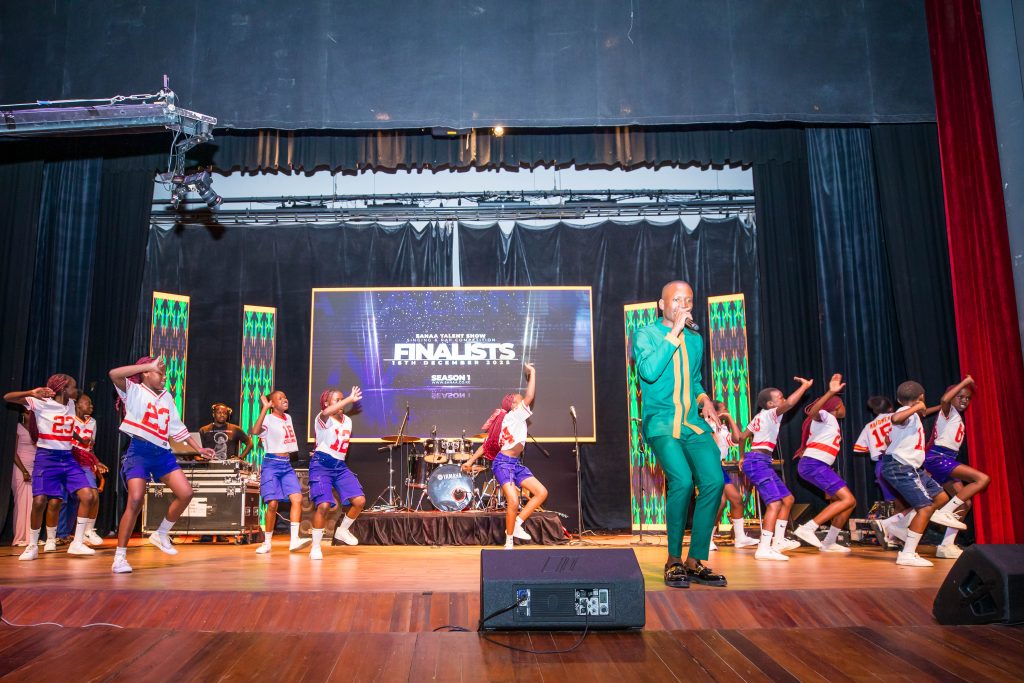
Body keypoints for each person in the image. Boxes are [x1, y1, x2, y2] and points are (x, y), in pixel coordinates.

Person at [632, 281, 727, 588]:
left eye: (688, 301)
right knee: (683, 480)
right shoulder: (646, 334)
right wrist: (674, 331)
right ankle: (673, 559)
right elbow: (648, 371)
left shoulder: (696, 340)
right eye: (677, 301)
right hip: (661, 422)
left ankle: (695, 560)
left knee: (714, 480)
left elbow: (696, 381)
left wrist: (705, 401)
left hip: (691, 423)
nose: (683, 306)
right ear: (662, 305)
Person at [109, 356, 214, 573]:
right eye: (160, 373)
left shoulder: (167, 397)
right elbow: (113, 374)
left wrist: (199, 449)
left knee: (186, 493)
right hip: (139, 451)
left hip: (162, 453)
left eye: (165, 374)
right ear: (146, 373)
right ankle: (120, 557)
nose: (165, 377)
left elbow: (177, 427)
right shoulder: (134, 390)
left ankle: (161, 533)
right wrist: (148, 364)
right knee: (136, 499)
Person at [5, 374, 97, 560]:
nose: (76, 390)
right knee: (39, 502)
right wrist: (32, 392)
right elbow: (8, 397)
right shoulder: (41, 403)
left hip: (67, 458)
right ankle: (32, 545)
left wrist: (80, 439)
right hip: (46, 457)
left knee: (87, 495)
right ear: (63, 389)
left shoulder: (70, 405)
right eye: (73, 387)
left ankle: (77, 543)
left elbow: (67, 428)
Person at [461, 363, 547, 550]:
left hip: (515, 464)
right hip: (502, 464)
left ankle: (517, 523)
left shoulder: (507, 421)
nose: (523, 398)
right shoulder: (514, 415)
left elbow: (486, 445)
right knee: (514, 501)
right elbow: (531, 396)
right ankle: (508, 543)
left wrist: (470, 460)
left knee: (541, 492)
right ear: (513, 405)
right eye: (519, 398)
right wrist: (532, 372)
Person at [727, 377, 814, 561]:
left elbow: (742, 437)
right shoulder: (770, 413)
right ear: (770, 403)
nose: (783, 400)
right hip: (758, 461)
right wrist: (804, 387)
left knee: (788, 499)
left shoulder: (759, 416)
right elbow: (790, 403)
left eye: (782, 398)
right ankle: (764, 548)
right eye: (780, 397)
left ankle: (778, 541)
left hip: (759, 460)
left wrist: (742, 456)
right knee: (774, 503)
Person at [881, 381, 966, 567]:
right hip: (899, 466)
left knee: (941, 497)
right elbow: (896, 419)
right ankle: (907, 553)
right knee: (926, 508)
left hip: (911, 467)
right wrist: (917, 407)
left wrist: (922, 408)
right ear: (921, 398)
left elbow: (924, 412)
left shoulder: (915, 414)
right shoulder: (906, 414)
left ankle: (899, 526)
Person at [926, 376, 988, 559]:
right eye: (960, 396)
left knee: (965, 503)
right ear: (952, 396)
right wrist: (966, 382)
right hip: (939, 457)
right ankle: (945, 511)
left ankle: (946, 545)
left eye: (967, 398)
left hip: (946, 459)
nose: (964, 401)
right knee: (982, 479)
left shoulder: (956, 417)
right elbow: (944, 400)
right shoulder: (948, 410)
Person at [793, 374, 856, 553]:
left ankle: (829, 542)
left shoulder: (831, 421)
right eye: (842, 403)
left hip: (817, 465)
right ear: (836, 405)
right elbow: (813, 412)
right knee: (847, 499)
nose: (844, 407)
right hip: (814, 464)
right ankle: (808, 528)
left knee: (849, 502)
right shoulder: (827, 417)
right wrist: (830, 392)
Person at [251, 390, 311, 554]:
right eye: (280, 398)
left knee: (297, 498)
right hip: (271, 464)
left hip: (286, 465)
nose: (285, 399)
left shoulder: (288, 418)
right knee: (272, 504)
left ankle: (294, 541)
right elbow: (255, 431)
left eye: (285, 396)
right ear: (273, 403)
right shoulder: (269, 419)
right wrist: (264, 408)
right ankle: (267, 543)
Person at [308, 386, 364, 560]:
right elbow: (327, 412)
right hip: (321, 464)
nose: (341, 403)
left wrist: (344, 402)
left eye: (342, 399)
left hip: (339, 466)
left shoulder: (347, 420)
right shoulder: (322, 418)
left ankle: (342, 531)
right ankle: (315, 547)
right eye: (337, 400)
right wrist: (349, 399)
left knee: (359, 501)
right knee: (324, 505)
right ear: (326, 403)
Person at [707, 402, 756, 552]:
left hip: (718, 466)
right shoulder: (705, 425)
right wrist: (712, 422)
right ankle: (706, 539)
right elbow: (711, 444)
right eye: (725, 409)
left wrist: (729, 418)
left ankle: (740, 538)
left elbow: (738, 438)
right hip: (708, 466)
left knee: (735, 499)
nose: (727, 411)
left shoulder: (723, 428)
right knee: (720, 503)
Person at [71, 393, 108, 546]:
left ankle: (88, 531)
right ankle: (55, 536)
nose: (91, 406)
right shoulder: (69, 419)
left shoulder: (92, 422)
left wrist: (96, 462)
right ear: (77, 405)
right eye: (88, 403)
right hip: (71, 459)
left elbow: (90, 447)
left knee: (94, 495)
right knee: (62, 500)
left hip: (86, 461)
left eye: (92, 404)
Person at [10, 410, 36, 546]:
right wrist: (24, 471)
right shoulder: (18, 428)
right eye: (27, 413)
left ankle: (30, 537)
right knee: (21, 503)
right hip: (21, 468)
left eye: (32, 413)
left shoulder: (37, 430)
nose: (30, 416)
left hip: (35, 468)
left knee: (33, 504)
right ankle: (19, 538)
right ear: (22, 414)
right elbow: (13, 453)